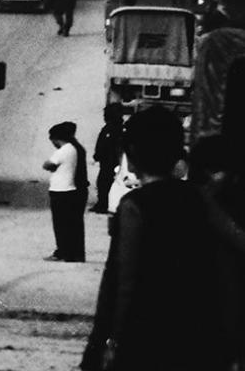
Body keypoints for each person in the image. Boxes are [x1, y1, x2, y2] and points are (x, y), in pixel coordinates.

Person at [81, 107, 231, 370]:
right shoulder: (201, 198)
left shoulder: (133, 206)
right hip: (198, 334)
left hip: (145, 336)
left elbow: (123, 282)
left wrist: (111, 342)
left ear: (133, 156)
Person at [43, 121, 89, 262]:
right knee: (73, 224)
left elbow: (47, 164)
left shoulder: (65, 150)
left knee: (61, 224)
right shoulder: (77, 148)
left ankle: (63, 251)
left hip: (62, 190)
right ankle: (75, 254)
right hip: (75, 189)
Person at [92, 104, 125, 214]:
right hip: (108, 161)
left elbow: (108, 146)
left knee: (104, 183)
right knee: (103, 183)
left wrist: (99, 155)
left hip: (109, 162)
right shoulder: (114, 128)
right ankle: (102, 203)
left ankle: (103, 204)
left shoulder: (113, 129)